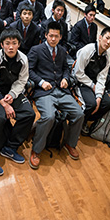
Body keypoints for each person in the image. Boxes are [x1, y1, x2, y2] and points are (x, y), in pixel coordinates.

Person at [27, 21, 84, 169]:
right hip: (44, 92)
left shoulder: (62, 50)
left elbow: (66, 68)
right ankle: (36, 150)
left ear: (60, 37)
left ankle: (69, 143)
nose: (53, 39)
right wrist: (40, 82)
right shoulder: (36, 50)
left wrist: (65, 78)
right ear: (45, 35)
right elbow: (29, 71)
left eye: (56, 36)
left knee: (79, 113)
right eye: (50, 36)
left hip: (61, 90)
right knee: (49, 116)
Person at [0, 28, 35, 175]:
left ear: (19, 44)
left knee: (29, 114)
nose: (11, 47)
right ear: (2, 45)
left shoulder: (23, 59)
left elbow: (22, 80)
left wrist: (12, 94)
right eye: (7, 43)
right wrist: (4, 104)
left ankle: (10, 147)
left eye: (14, 43)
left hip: (12, 92)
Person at [72, 27, 110, 133]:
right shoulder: (88, 50)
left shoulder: (107, 58)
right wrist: (92, 86)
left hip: (94, 83)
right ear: (100, 37)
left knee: (107, 103)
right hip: (81, 82)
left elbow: (102, 77)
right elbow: (78, 73)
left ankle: (87, 120)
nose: (108, 42)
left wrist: (99, 96)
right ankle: (80, 123)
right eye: (107, 38)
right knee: (91, 104)